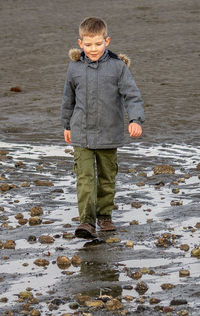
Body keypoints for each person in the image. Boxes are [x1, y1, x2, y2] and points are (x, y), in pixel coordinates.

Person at [61, 17, 144, 239]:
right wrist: (67, 125)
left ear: (106, 41)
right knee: (85, 178)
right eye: (88, 45)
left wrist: (135, 120)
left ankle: (104, 216)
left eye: (98, 44)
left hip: (109, 133)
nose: (93, 49)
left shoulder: (118, 67)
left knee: (107, 178)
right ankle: (87, 222)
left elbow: (132, 95)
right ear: (80, 43)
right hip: (81, 134)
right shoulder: (75, 68)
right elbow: (68, 99)